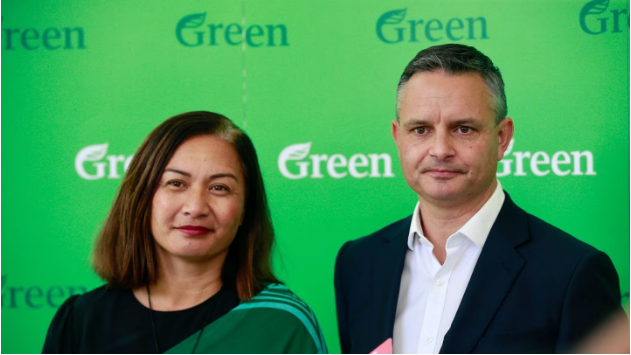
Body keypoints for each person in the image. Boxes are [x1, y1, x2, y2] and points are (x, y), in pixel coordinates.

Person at [334, 44, 623, 354]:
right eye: (420, 129)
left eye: (463, 129)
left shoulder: (572, 273)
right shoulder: (358, 263)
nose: (440, 149)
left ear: (502, 138)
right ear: (397, 137)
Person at [43, 111, 327, 354]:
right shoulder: (82, 319)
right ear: (142, 197)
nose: (195, 207)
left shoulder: (281, 322)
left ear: (244, 210)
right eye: (176, 183)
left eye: (220, 188)